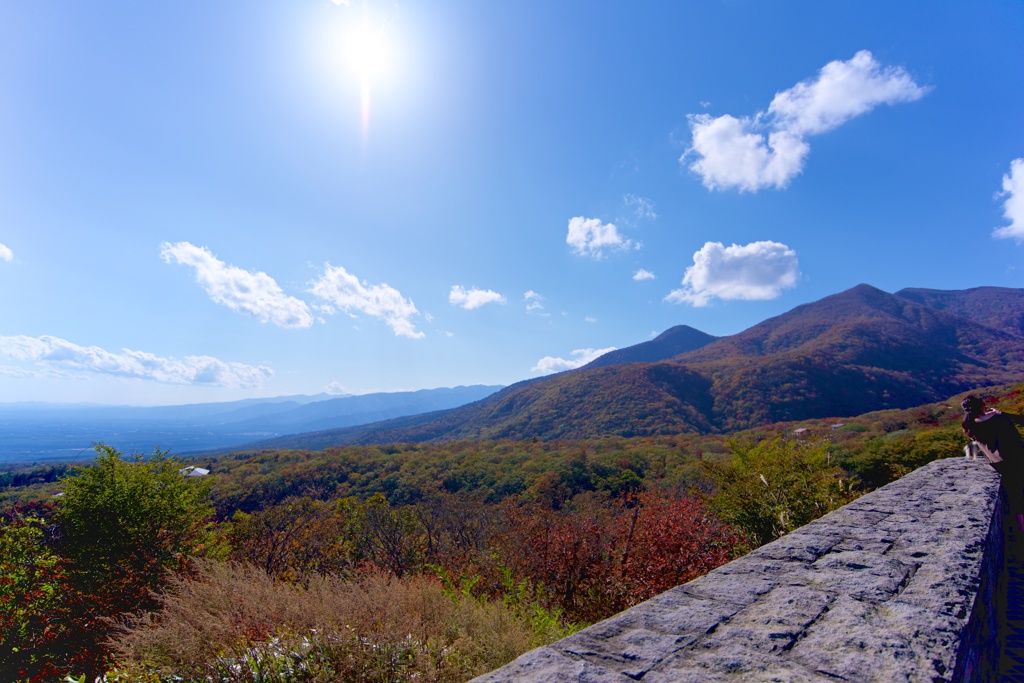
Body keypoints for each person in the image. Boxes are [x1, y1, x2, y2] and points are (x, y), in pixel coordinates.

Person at [962, 395, 1024, 533]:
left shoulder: (968, 424)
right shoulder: (999, 419)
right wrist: (1000, 413)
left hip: (997, 464)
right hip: (1016, 460)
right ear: (983, 406)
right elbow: (1015, 440)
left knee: (1016, 497)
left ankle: (1020, 532)